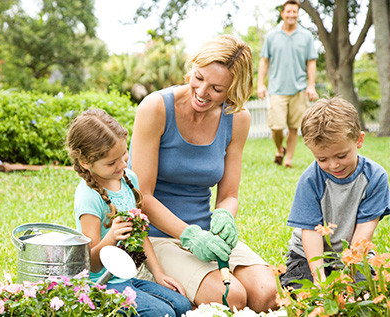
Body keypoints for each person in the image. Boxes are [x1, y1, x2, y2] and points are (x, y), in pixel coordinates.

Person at [128, 34, 277, 313]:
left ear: (233, 90)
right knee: (230, 298)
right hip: (157, 237)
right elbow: (141, 196)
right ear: (192, 67)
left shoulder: (237, 119)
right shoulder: (156, 108)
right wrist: (190, 236)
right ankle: (149, 277)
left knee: (265, 293)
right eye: (198, 77)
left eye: (217, 89)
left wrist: (225, 216)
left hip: (207, 236)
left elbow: (229, 194)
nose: (202, 91)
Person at [67, 108, 192, 317]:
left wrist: (159, 274)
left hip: (128, 279)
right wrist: (112, 237)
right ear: (86, 162)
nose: (123, 164)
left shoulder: (128, 179)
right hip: (101, 286)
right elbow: (90, 264)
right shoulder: (89, 196)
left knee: (182, 306)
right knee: (160, 313)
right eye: (112, 162)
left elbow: (140, 234)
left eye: (124, 155)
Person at [280, 97, 390, 289]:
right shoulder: (310, 180)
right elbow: (311, 233)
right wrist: (320, 280)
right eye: (322, 159)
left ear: (359, 140)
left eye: (341, 155)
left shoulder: (375, 177)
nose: (333, 165)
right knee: (303, 293)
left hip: (354, 254)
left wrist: (351, 275)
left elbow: (363, 235)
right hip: (309, 255)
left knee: (368, 292)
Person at [257, 0, 319, 168]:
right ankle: (279, 149)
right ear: (282, 13)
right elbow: (264, 61)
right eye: (289, 11)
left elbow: (311, 62)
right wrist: (260, 84)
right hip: (276, 89)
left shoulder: (306, 36)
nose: (292, 15)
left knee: (294, 127)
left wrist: (311, 85)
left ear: (298, 14)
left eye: (295, 12)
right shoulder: (272, 36)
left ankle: (289, 160)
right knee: (276, 127)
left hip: (298, 89)